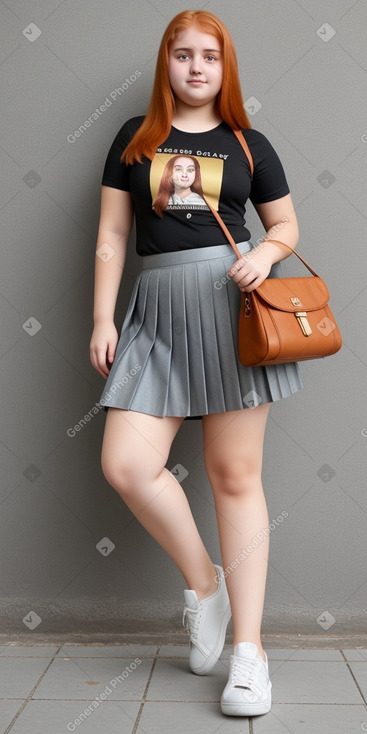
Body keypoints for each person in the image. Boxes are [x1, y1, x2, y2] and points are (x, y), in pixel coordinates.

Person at [90, 9, 303, 718]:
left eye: (208, 56)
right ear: (166, 64)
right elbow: (113, 234)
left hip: (235, 315)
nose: (195, 68)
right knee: (126, 464)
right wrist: (100, 317)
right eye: (182, 55)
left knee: (234, 477)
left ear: (224, 66)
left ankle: (249, 654)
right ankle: (206, 589)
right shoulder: (136, 139)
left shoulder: (248, 141)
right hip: (155, 313)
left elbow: (285, 226)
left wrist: (265, 256)